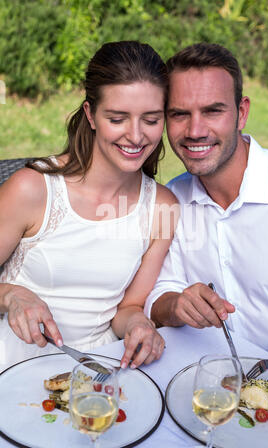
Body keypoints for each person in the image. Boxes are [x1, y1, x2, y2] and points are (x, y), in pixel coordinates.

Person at [0, 41, 179, 373]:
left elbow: (128, 308)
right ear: (90, 115)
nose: (136, 136)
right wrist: (11, 295)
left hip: (96, 371)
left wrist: (140, 324)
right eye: (117, 118)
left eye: (151, 120)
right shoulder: (33, 189)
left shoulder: (162, 207)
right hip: (12, 364)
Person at [146, 42, 268, 361]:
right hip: (206, 380)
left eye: (213, 111)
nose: (195, 130)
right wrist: (176, 304)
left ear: (241, 113)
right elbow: (159, 295)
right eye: (179, 114)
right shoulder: (169, 200)